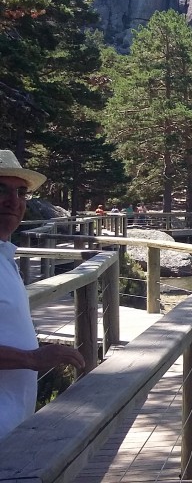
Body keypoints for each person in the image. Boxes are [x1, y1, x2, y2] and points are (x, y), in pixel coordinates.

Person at [0, 150, 85, 440]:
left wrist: (35, 350)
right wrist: (32, 358)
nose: (14, 201)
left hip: (12, 427)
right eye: (1, 190)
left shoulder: (4, 255)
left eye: (21, 192)